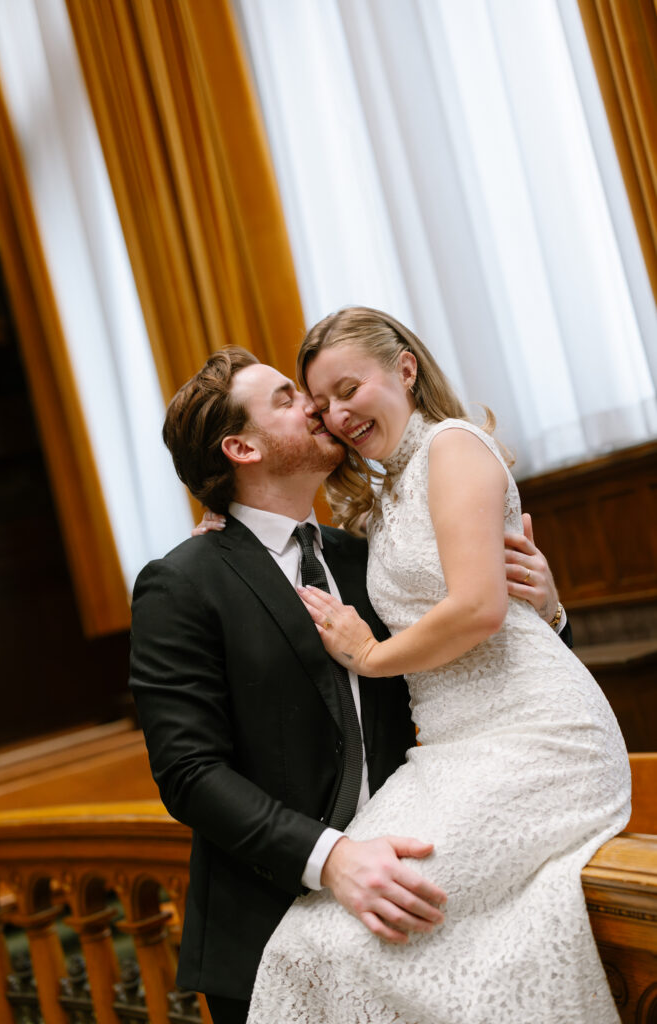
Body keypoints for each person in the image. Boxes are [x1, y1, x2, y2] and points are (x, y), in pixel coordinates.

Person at [129, 345, 569, 1024]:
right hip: (268, 928)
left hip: (408, 901)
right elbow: (187, 772)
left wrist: (545, 610)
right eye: (284, 398)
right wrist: (330, 859)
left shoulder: (367, 559)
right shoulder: (183, 583)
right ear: (240, 447)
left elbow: (493, 671)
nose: (314, 406)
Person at [245, 307, 631, 1024]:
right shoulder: (384, 496)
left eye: (347, 388)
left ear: (405, 368)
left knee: (357, 931)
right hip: (449, 755)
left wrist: (370, 654)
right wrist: (223, 517)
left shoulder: (454, 447)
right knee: (308, 938)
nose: (335, 413)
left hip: (535, 741)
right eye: (321, 403)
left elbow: (481, 610)